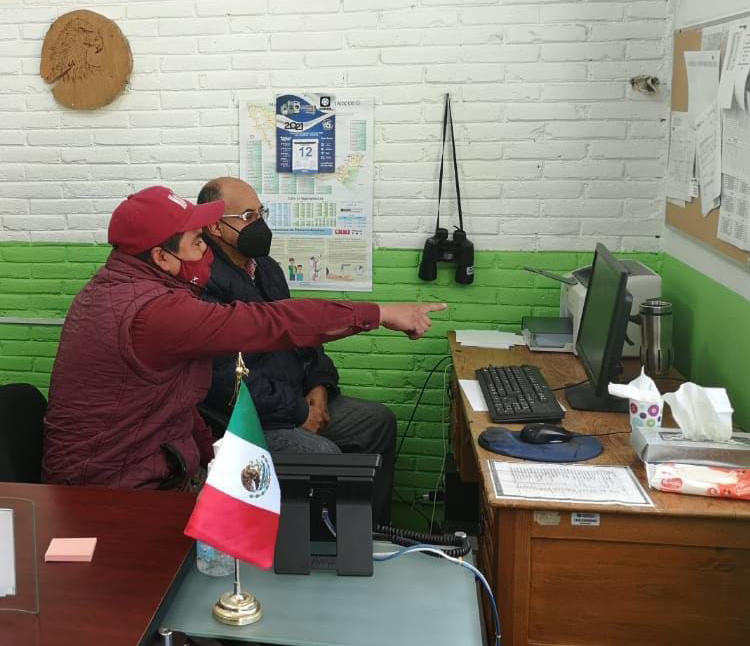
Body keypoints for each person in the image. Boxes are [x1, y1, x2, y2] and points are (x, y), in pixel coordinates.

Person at [41, 186, 446, 491]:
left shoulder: (138, 288)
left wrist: (209, 461)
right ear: (162, 258)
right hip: (112, 486)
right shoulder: (153, 311)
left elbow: (178, 406)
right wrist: (379, 313)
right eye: (198, 243)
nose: (206, 253)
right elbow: (267, 325)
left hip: (161, 459)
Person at [197, 177, 403, 525]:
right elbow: (223, 380)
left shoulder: (268, 270)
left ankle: (372, 534)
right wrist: (297, 412)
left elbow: (304, 336)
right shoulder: (204, 284)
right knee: (324, 455)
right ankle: (327, 549)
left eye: (261, 212)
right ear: (216, 227)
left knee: (377, 423)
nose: (259, 224)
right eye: (248, 216)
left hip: (299, 398)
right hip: (254, 418)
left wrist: (319, 387)